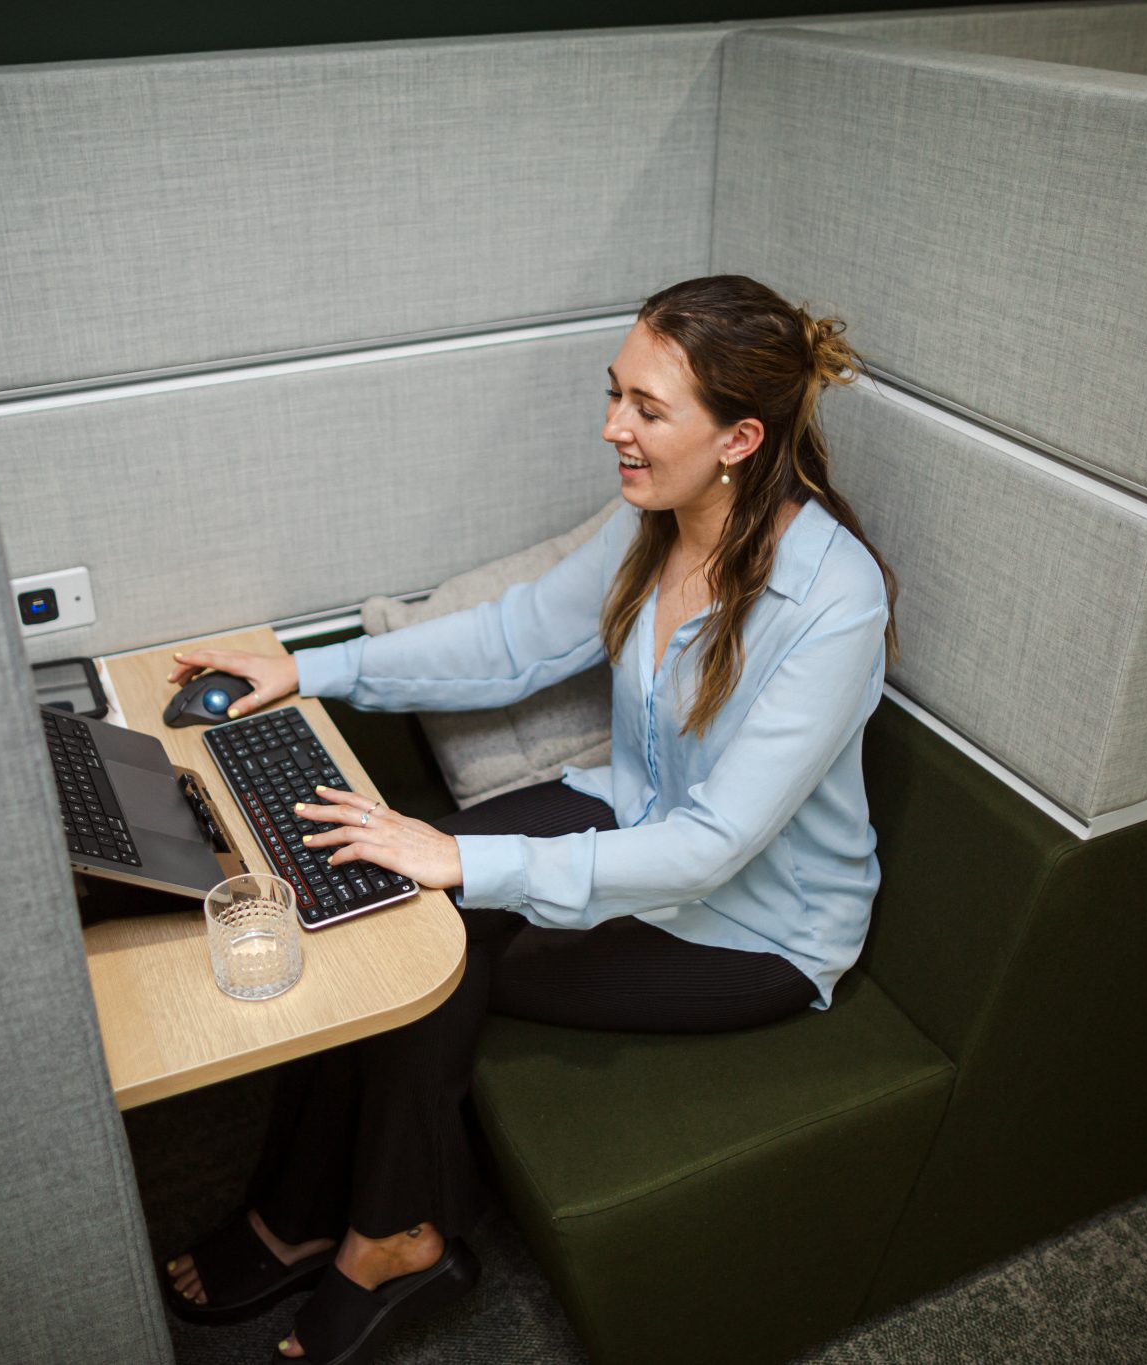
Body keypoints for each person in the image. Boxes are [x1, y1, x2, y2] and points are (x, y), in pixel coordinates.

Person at [159, 274, 898, 1364]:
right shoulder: (652, 520)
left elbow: (714, 847)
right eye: (615, 397)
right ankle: (305, 1213)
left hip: (757, 926)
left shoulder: (835, 601)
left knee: (431, 967)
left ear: (740, 436)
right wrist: (303, 671)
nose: (613, 429)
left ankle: (392, 1238)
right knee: (379, 915)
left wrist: (457, 853)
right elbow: (508, 643)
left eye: (647, 410)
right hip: (628, 818)